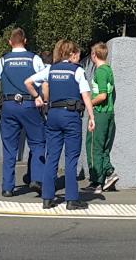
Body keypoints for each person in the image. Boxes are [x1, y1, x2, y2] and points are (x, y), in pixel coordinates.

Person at [25, 39, 95, 210]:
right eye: (78, 54)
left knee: (52, 157)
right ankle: (71, 200)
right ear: (71, 54)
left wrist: (37, 97)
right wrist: (91, 116)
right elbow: (85, 95)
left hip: (53, 115)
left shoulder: (50, 69)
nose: (79, 57)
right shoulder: (77, 71)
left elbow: (28, 82)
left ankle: (47, 198)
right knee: (71, 159)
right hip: (71, 116)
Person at [0, 28, 46, 197]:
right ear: (25, 41)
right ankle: (37, 179)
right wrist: (44, 101)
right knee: (38, 143)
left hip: (9, 106)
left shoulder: (2, 61)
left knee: (9, 148)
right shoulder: (35, 59)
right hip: (30, 105)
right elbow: (44, 84)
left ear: (10, 42)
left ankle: (7, 188)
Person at [85, 42, 119, 195]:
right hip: (109, 114)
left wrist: (88, 103)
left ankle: (96, 182)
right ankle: (109, 173)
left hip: (100, 113)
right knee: (103, 148)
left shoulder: (100, 72)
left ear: (94, 55)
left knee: (94, 147)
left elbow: (102, 95)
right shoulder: (109, 70)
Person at [23, 50, 52, 186]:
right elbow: (45, 86)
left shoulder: (37, 71)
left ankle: (30, 175)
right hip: (48, 109)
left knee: (35, 145)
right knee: (43, 144)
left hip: (35, 109)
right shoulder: (51, 70)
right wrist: (46, 102)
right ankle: (40, 177)